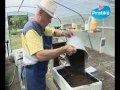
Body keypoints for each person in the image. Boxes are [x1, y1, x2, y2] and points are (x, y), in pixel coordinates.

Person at [21, 0, 77, 90]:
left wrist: (64, 32)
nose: (50, 21)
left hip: (39, 70)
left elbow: (53, 31)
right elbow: (40, 55)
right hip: (32, 72)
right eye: (49, 17)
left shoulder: (41, 27)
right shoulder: (31, 29)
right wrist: (64, 49)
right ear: (40, 13)